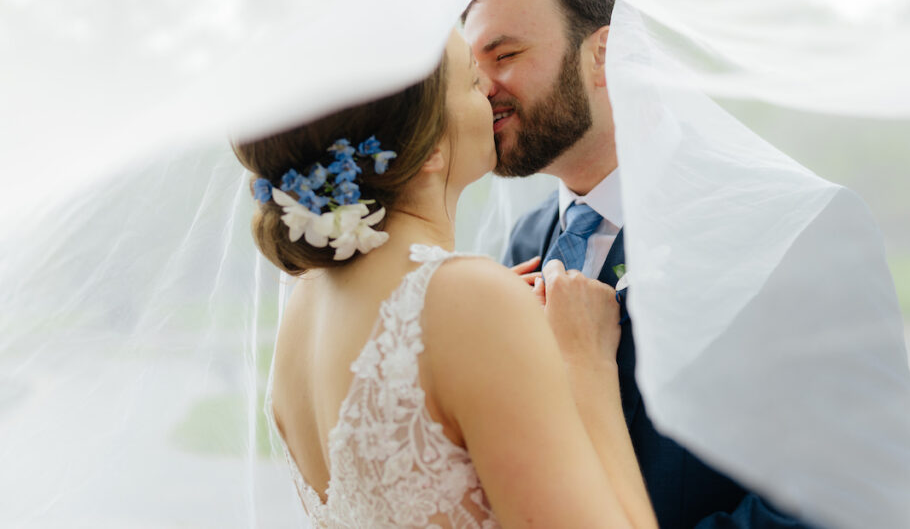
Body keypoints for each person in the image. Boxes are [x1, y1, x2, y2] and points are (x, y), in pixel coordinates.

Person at [232, 30, 660, 527]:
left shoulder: (305, 299)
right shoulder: (467, 298)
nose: (493, 95)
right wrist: (586, 364)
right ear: (430, 145)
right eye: (475, 81)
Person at [461, 0, 814, 528]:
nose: (484, 92)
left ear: (605, 54)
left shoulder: (785, 226)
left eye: (504, 56)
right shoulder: (523, 244)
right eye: (473, 72)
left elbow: (852, 497)